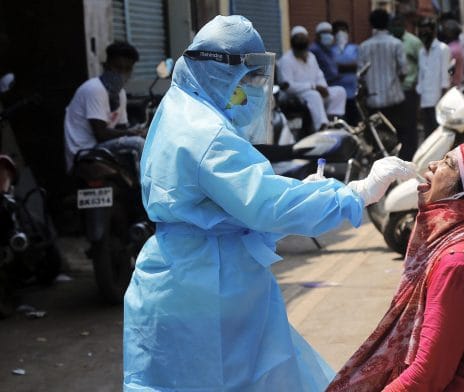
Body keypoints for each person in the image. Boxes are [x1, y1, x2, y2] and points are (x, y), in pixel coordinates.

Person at [122, 15, 416, 391]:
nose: (251, 90)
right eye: (246, 78)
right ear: (218, 71)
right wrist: (353, 194)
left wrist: (303, 192)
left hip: (178, 276)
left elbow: (228, 199)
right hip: (209, 290)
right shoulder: (207, 134)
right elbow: (266, 205)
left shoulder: (180, 108)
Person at [327, 142, 464, 391]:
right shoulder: (459, 250)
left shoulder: (458, 264)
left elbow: (427, 376)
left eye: (448, 163)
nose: (433, 164)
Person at [64, 41, 144, 171]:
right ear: (106, 66)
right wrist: (130, 134)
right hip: (85, 151)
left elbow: (121, 129)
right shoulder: (95, 89)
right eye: (118, 68)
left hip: (102, 147)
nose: (122, 74)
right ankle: (146, 190)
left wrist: (136, 131)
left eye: (127, 69)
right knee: (138, 144)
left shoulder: (121, 93)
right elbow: (100, 134)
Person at [359, 9, 417, 160]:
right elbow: (404, 71)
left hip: (374, 102)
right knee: (401, 134)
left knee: (378, 139)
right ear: (388, 23)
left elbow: (360, 76)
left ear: (371, 24)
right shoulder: (396, 44)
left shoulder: (364, 46)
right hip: (395, 99)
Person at [278, 25, 346, 131]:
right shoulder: (286, 60)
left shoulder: (311, 57)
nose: (302, 53)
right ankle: (322, 127)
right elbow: (288, 87)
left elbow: (319, 75)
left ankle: (334, 121)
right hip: (295, 96)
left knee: (340, 91)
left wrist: (324, 87)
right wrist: (313, 87)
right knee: (313, 95)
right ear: (293, 46)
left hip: (315, 92)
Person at [389, 16, 422, 148]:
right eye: (394, 24)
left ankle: (411, 154)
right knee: (395, 126)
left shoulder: (414, 42)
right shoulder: (389, 42)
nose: (397, 27)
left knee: (410, 125)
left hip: (408, 89)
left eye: (399, 24)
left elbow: (422, 65)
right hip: (391, 91)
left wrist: (416, 84)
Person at [416, 18, 450, 138]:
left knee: (440, 136)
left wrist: (443, 101)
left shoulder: (443, 49)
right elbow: (421, 78)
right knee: (428, 136)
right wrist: (419, 103)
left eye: (426, 30)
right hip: (425, 101)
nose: (423, 33)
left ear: (433, 31)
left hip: (438, 101)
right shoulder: (421, 52)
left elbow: (444, 78)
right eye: (421, 31)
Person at [331, 20, 360, 125]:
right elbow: (330, 68)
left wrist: (339, 67)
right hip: (337, 95)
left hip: (352, 93)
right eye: (338, 31)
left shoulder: (355, 48)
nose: (341, 33)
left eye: (343, 30)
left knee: (354, 123)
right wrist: (348, 66)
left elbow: (358, 65)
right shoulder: (330, 50)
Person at [310, 21, 341, 86]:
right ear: (318, 35)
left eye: (330, 33)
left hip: (334, 82)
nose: (329, 36)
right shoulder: (314, 50)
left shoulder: (330, 49)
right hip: (321, 85)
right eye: (325, 33)